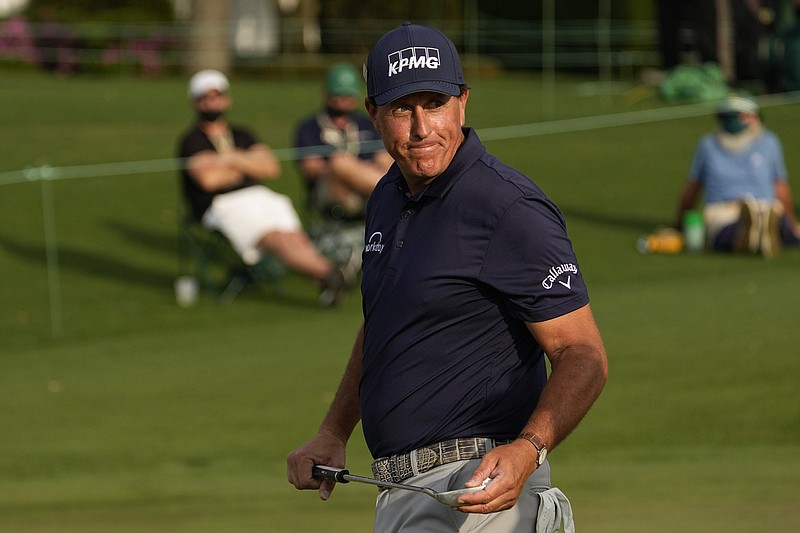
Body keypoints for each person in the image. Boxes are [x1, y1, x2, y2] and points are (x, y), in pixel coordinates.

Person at [287, 23, 608, 532]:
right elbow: (384, 325)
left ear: (463, 102)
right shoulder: (387, 199)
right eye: (401, 109)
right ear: (373, 113)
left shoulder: (507, 205)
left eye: (434, 103)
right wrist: (333, 430)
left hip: (484, 487)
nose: (420, 129)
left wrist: (528, 450)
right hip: (399, 492)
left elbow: (583, 353)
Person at [177, 69, 353, 306]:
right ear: (195, 102)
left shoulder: (241, 134)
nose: (212, 102)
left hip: (258, 195)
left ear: (226, 98)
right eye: (205, 97)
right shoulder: (191, 140)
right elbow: (209, 180)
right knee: (275, 238)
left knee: (293, 236)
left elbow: (270, 167)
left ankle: (328, 282)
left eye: (217, 95)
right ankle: (330, 273)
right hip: (221, 205)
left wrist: (228, 159)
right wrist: (247, 163)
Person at [674, 95, 800, 257]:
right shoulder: (708, 145)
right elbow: (693, 185)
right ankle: (755, 233)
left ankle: (758, 232)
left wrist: (679, 224)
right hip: (724, 210)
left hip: (765, 207)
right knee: (728, 228)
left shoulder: (769, 142)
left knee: (770, 216)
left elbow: (692, 187)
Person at [294, 62, 393, 221]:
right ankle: (393, 195)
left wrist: (358, 172)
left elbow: (384, 159)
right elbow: (311, 168)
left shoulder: (367, 123)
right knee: (339, 161)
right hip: (330, 190)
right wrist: (350, 171)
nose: (344, 100)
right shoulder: (310, 127)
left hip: (367, 188)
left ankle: (389, 193)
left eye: (349, 95)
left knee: (388, 160)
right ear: (326, 94)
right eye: (339, 95)